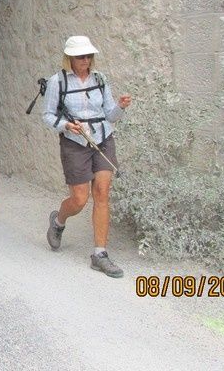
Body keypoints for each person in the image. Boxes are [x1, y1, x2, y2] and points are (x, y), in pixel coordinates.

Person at [41, 35, 131, 278]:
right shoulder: (57, 82)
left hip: (103, 139)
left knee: (101, 193)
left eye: (89, 55)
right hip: (74, 144)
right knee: (79, 199)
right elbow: (48, 115)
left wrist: (120, 107)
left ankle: (99, 254)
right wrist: (66, 126)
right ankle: (58, 221)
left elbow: (110, 115)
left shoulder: (100, 80)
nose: (86, 60)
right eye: (81, 56)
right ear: (70, 57)